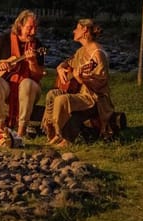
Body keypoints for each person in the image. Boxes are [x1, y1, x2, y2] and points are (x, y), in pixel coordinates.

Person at [41, 18, 114, 147]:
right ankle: (51, 132)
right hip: (79, 92)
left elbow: (100, 83)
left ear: (84, 30)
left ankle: (62, 135)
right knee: (52, 94)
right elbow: (68, 62)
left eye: (77, 28)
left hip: (93, 97)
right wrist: (60, 68)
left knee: (62, 100)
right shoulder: (81, 51)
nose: (74, 31)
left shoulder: (97, 54)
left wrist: (81, 78)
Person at [0, 9, 46, 137]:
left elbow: (39, 75)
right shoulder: (4, 40)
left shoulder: (37, 46)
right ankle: (0, 126)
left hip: (29, 89)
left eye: (35, 28)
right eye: (29, 28)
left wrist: (32, 62)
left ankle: (21, 130)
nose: (33, 32)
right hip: (7, 86)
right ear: (20, 25)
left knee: (27, 83)